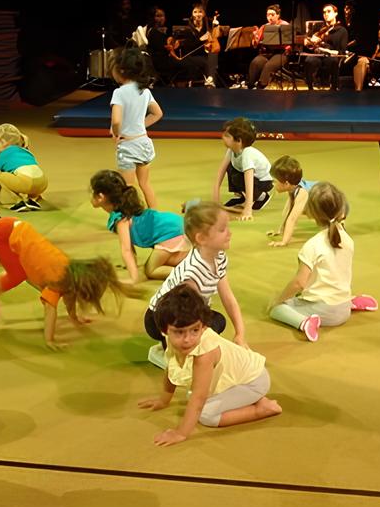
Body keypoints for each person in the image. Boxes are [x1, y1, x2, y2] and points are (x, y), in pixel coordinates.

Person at [137, 285, 281, 446]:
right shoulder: (173, 341)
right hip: (234, 378)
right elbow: (171, 367)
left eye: (195, 330)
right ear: (165, 331)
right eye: (179, 332)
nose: (187, 339)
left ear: (204, 326)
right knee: (193, 396)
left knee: (206, 414)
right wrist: (164, 400)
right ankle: (250, 400)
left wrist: (180, 433)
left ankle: (262, 408)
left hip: (252, 381)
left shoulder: (204, 354)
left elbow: (199, 398)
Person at [0, 218, 127, 349]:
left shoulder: (71, 271)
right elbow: (50, 310)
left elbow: (69, 297)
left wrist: (74, 317)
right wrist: (49, 340)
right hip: (0, 234)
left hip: (15, 228)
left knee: (26, 274)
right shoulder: (58, 280)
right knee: (17, 275)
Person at [267, 182, 377, 342]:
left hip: (325, 311)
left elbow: (299, 283)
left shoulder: (312, 245)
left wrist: (278, 299)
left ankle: (304, 322)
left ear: (311, 213)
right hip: (343, 307)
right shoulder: (346, 238)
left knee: (276, 309)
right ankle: (351, 302)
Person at [144, 201, 248, 369]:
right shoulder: (192, 273)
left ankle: (178, 349)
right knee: (208, 335)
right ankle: (170, 352)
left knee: (218, 322)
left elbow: (228, 297)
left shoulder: (218, 256)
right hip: (161, 320)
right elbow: (178, 318)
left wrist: (240, 334)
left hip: (190, 313)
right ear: (201, 238)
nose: (230, 233)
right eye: (222, 230)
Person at [90, 170, 189, 283]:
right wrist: (133, 265)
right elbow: (130, 248)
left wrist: (133, 278)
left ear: (100, 197)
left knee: (151, 270)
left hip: (172, 234)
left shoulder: (121, 220)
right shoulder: (125, 209)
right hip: (177, 226)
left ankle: (190, 274)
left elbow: (126, 250)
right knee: (165, 261)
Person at [110, 48, 164, 210]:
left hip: (129, 147)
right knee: (145, 184)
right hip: (144, 143)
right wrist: (140, 125)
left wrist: (116, 132)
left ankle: (128, 221)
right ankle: (155, 216)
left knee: (126, 188)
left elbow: (116, 120)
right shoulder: (144, 91)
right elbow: (157, 113)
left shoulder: (119, 93)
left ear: (121, 70)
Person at [212, 117, 273, 221]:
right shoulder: (232, 150)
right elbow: (220, 172)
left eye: (227, 136)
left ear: (239, 141)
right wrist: (215, 199)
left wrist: (247, 209)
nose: (223, 137)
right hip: (251, 177)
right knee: (231, 168)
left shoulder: (247, 154)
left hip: (263, 182)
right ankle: (245, 197)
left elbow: (248, 180)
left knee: (238, 177)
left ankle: (261, 196)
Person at [0, 124, 47, 212]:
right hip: (43, 183)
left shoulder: (3, 156)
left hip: (27, 183)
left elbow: (2, 178)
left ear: (4, 142)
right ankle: (31, 200)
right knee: (23, 176)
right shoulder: (25, 151)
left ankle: (19, 201)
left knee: (1, 177)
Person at [143, 6, 205, 85]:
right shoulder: (153, 32)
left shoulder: (154, 30)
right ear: (152, 17)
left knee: (190, 61)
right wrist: (176, 53)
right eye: (158, 16)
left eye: (163, 16)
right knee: (192, 62)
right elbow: (168, 48)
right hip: (161, 62)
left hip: (162, 60)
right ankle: (185, 84)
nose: (161, 18)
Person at [266, 156, 316, 248]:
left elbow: (293, 218)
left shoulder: (302, 192)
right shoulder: (293, 188)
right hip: (321, 205)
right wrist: (281, 230)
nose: (273, 184)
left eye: (275, 181)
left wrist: (284, 241)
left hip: (336, 208)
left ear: (286, 184)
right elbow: (288, 210)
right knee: (301, 208)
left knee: (303, 210)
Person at [304, 4, 348, 91]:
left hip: (331, 55)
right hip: (318, 54)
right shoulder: (319, 29)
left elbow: (342, 52)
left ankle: (334, 87)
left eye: (329, 11)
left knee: (333, 62)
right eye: (324, 12)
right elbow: (311, 47)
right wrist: (309, 42)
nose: (326, 14)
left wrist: (325, 49)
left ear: (336, 13)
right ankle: (310, 88)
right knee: (308, 61)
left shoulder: (342, 30)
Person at [246, 4, 291, 90]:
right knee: (255, 62)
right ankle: (250, 85)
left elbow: (290, 42)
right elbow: (255, 45)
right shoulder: (264, 27)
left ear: (278, 15)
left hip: (281, 53)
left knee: (269, 66)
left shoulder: (285, 25)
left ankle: (260, 86)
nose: (270, 17)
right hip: (267, 52)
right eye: (268, 15)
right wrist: (255, 38)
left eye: (272, 14)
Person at [175, 4, 220, 88]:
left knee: (213, 55)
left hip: (204, 55)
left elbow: (214, 39)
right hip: (191, 56)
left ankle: (211, 80)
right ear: (192, 14)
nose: (198, 14)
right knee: (208, 59)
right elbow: (188, 47)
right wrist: (201, 40)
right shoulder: (188, 28)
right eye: (195, 12)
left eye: (200, 11)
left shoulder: (207, 27)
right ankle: (210, 80)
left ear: (204, 14)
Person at [343, 0, 372, 91]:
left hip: (358, 50)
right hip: (347, 50)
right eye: (346, 8)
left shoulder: (358, 22)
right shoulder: (344, 22)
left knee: (359, 61)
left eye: (349, 9)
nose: (347, 11)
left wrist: (345, 45)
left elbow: (358, 40)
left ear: (353, 10)